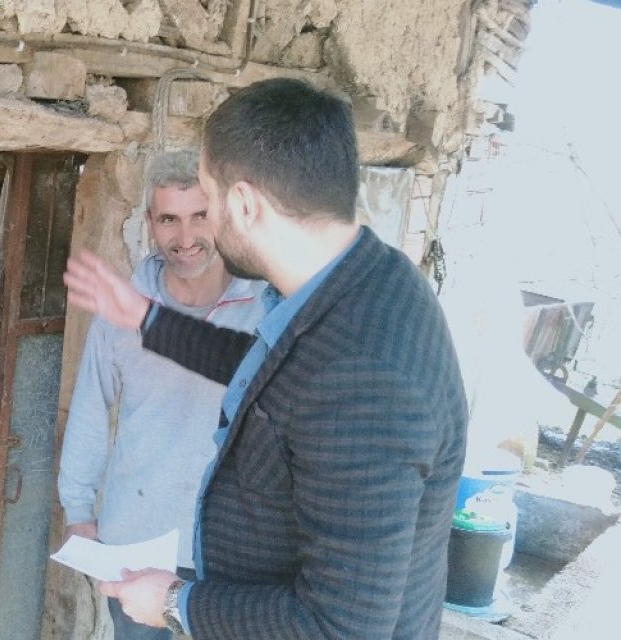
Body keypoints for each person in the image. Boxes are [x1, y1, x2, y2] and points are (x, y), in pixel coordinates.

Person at [62, 78, 468, 639]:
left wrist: (178, 603)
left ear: (244, 204)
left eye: (208, 196)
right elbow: (270, 373)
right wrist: (145, 319)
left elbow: (339, 627)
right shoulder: (373, 283)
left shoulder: (365, 381)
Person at [58, 150, 265, 640]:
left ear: (223, 216)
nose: (186, 238)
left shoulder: (264, 309)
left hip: (230, 548)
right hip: (136, 540)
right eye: (169, 219)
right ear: (149, 222)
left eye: (200, 216)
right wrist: (79, 513)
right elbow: (89, 408)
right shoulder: (122, 309)